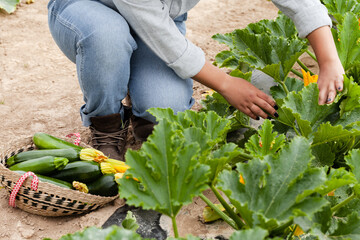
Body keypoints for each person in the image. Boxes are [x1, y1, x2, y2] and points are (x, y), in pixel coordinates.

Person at [47, 0, 344, 160]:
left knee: (164, 113)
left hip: (158, 19)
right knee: (108, 36)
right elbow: (167, 42)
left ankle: (128, 80)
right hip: (89, 12)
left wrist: (329, 60)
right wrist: (226, 84)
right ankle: (106, 123)